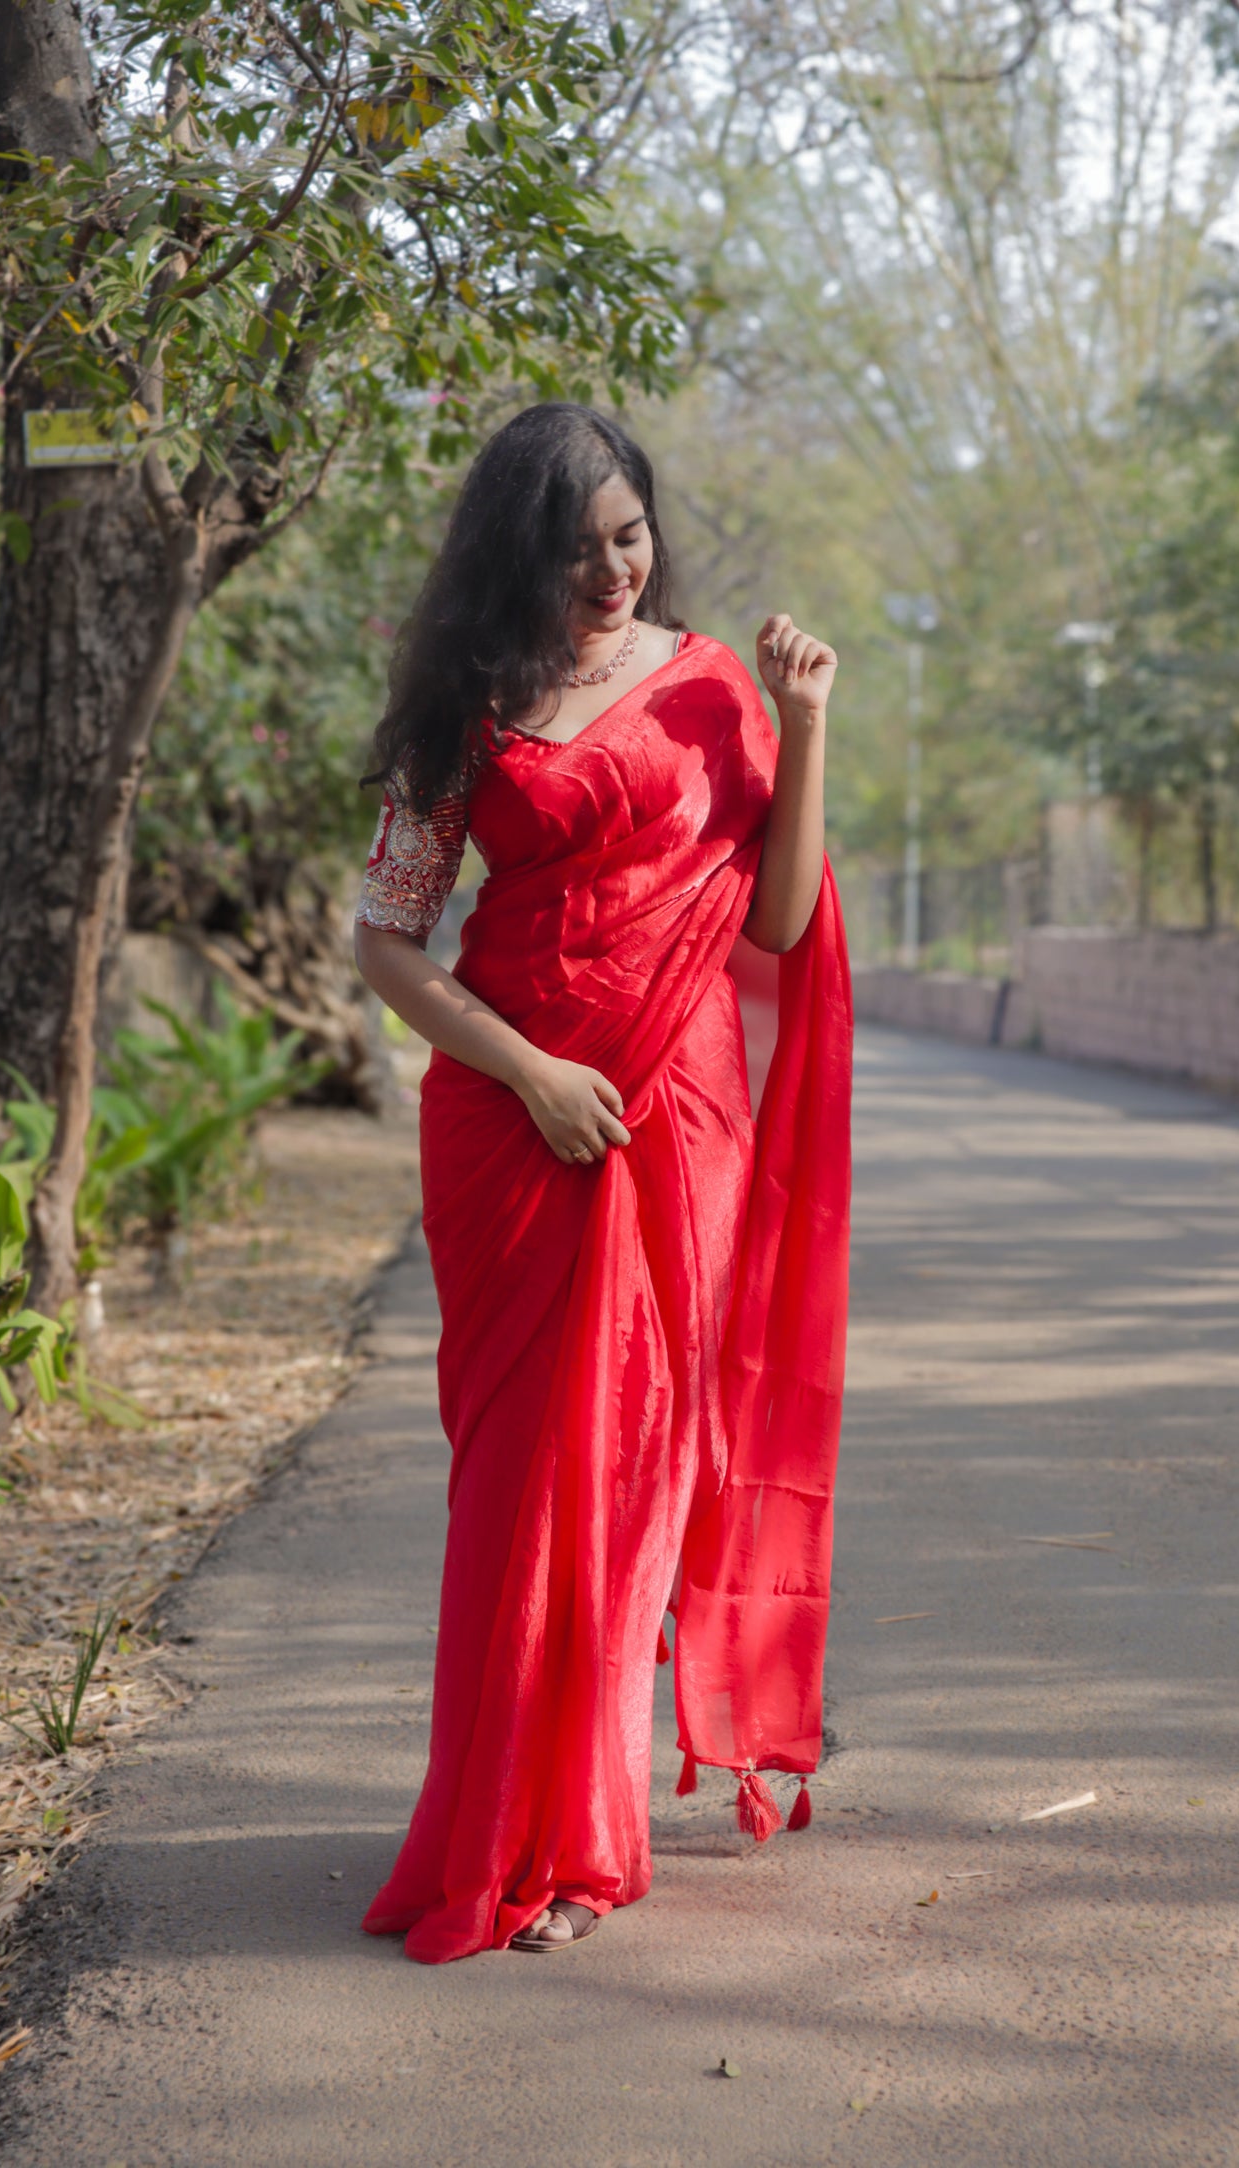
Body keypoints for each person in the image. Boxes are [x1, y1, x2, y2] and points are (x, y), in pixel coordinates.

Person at [354, 402, 852, 1963]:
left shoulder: (712, 693)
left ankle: (577, 1841)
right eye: (575, 554)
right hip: (514, 1117)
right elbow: (386, 938)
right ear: (520, 560)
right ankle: (499, 1818)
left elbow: (774, 927)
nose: (611, 574)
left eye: (628, 538)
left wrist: (808, 722)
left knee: (630, 1470)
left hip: (675, 1115)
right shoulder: (465, 706)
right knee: (516, 1481)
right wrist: (530, 1073)